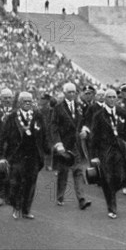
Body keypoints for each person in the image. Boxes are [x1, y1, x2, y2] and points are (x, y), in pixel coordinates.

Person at [0, 92, 49, 219]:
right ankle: (16, 207)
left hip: (33, 155)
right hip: (16, 155)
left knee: (30, 183)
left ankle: (26, 210)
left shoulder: (38, 116)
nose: (27, 103)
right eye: (25, 101)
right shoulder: (12, 117)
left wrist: (47, 151)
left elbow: (44, 135)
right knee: (16, 183)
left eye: (30, 101)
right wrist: (2, 156)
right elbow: (3, 137)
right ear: (20, 102)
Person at [91, 90, 126, 219]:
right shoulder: (98, 115)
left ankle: (112, 192)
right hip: (105, 150)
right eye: (109, 97)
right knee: (107, 178)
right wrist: (94, 155)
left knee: (120, 177)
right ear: (105, 99)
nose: (111, 99)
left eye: (114, 97)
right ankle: (111, 206)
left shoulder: (122, 112)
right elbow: (94, 136)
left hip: (119, 149)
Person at [50, 82, 92, 210]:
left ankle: (82, 199)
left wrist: (85, 130)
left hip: (75, 144)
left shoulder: (80, 106)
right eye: (69, 92)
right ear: (64, 93)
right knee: (63, 172)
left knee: (78, 171)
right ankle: (60, 196)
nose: (72, 94)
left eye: (74, 92)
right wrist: (58, 144)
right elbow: (53, 127)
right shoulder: (58, 108)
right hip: (64, 145)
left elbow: (85, 120)